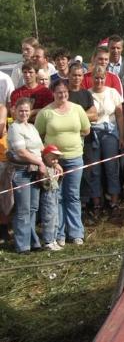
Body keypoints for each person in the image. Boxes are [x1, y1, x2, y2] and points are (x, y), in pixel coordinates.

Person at [35, 79, 90, 246]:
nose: (62, 95)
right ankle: (59, 233)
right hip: (53, 161)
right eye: (59, 92)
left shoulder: (77, 109)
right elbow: (38, 135)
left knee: (73, 195)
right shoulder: (45, 113)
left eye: (65, 92)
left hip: (75, 157)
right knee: (56, 196)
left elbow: (86, 129)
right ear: (53, 93)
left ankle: (76, 233)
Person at [6, 99, 49, 252]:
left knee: (32, 208)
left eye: (26, 110)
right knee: (23, 209)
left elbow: (41, 149)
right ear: (15, 111)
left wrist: (52, 161)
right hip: (22, 172)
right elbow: (21, 152)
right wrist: (40, 163)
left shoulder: (32, 127)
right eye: (21, 110)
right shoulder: (14, 128)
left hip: (35, 171)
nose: (24, 113)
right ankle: (22, 245)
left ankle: (33, 242)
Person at [84, 69, 124, 216]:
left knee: (112, 168)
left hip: (110, 132)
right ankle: (96, 202)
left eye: (101, 78)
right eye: (96, 78)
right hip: (93, 133)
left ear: (105, 78)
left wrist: (122, 136)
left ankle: (114, 201)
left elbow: (119, 116)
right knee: (94, 170)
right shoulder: (87, 94)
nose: (99, 81)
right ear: (92, 78)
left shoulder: (113, 92)